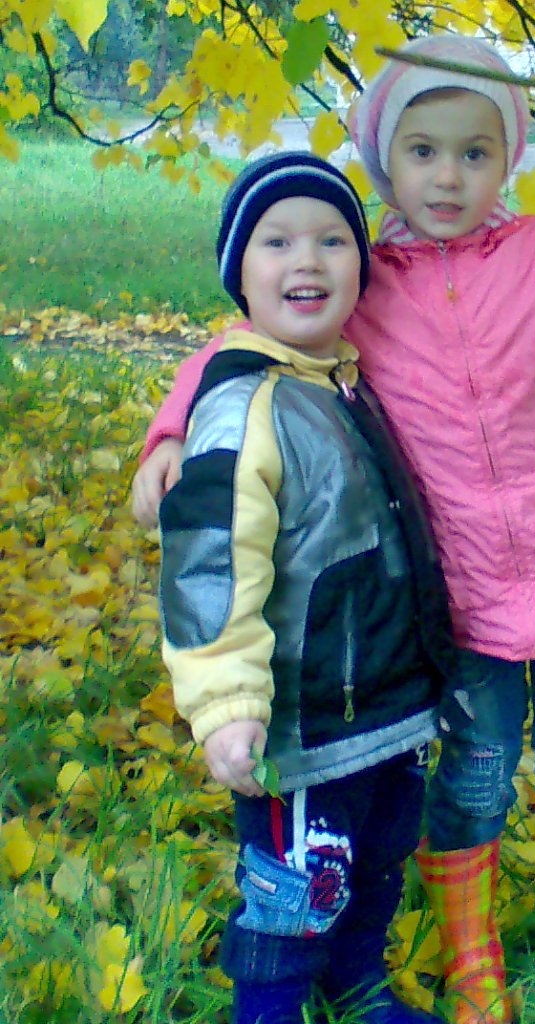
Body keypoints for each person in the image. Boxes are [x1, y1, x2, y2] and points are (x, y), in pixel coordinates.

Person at [137, 34, 535, 1023]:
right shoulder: (366, 282)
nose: (448, 176)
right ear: (388, 162)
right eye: (422, 152)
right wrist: (172, 431)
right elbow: (246, 345)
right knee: (475, 777)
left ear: (507, 158)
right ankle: (471, 952)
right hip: (463, 600)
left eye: (473, 152)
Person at [156, 155, 456, 1024]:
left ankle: (356, 985)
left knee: (378, 856)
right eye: (277, 242)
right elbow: (210, 559)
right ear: (239, 275)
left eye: (332, 241)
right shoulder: (243, 406)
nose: (308, 260)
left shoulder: (343, 383)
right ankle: (270, 1006)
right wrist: (225, 703)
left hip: (385, 703)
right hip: (302, 716)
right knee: (299, 878)